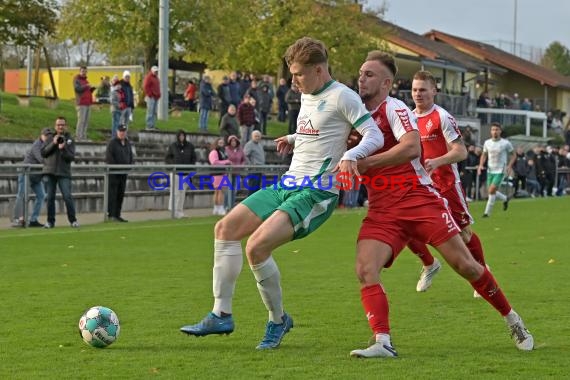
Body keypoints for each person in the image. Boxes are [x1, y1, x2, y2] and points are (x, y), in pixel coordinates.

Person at [180, 36, 384, 350]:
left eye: (299, 74)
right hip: (288, 183)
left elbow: (375, 134)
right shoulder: (307, 94)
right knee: (225, 228)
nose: (293, 81)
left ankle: (278, 321)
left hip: (316, 193)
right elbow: (315, 129)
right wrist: (292, 136)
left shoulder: (344, 96)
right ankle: (221, 313)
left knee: (256, 247)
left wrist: (351, 156)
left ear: (319, 70)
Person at [348, 51, 532, 358]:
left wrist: (364, 162)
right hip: (382, 207)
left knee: (466, 265)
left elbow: (410, 147)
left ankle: (512, 319)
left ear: (386, 83)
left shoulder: (396, 109)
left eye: (368, 74)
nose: (361, 79)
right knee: (365, 269)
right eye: (360, 73)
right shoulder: (352, 112)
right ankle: (383, 342)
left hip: (421, 199)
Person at [403, 70, 489, 297]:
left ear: (434, 91)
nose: (418, 94)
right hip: (421, 185)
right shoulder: (408, 118)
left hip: (446, 184)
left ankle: (481, 272)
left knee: (463, 234)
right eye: (414, 90)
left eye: (423, 89)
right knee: (404, 227)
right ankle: (430, 264)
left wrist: (437, 162)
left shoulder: (441, 117)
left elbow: (460, 152)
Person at [41, 117, 79, 228]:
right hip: (50, 171)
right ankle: (50, 221)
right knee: (50, 197)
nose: (60, 127)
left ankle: (73, 220)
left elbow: (71, 157)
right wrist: (53, 143)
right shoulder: (49, 138)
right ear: (55, 126)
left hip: (64, 172)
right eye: (58, 125)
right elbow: (43, 153)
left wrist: (63, 148)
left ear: (65, 126)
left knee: (67, 196)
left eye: (62, 125)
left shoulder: (70, 139)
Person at [11, 128, 50, 228]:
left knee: (41, 195)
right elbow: (41, 159)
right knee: (21, 195)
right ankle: (18, 219)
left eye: (49, 135)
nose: (47, 137)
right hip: (26, 173)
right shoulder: (36, 145)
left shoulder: (49, 146)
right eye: (46, 135)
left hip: (36, 176)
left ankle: (33, 219)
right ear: (41, 135)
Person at [478, 123, 515, 217]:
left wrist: (509, 166)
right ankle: (505, 198)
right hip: (490, 170)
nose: (495, 131)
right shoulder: (487, 142)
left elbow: (514, 155)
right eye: (493, 129)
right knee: (491, 191)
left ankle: (487, 213)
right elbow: (484, 154)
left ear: (500, 131)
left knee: (491, 190)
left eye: (497, 129)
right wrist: (481, 165)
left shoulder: (505, 143)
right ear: (491, 131)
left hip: (500, 170)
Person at [105, 124, 134, 222]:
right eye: (120, 131)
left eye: (124, 131)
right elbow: (109, 157)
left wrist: (128, 166)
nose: (122, 133)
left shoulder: (127, 143)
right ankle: (111, 214)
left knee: (120, 194)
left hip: (123, 173)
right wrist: (116, 168)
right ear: (117, 131)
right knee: (113, 194)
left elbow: (130, 156)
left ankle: (117, 214)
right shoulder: (112, 143)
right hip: (114, 173)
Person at [165, 130, 196, 219]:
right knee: (175, 192)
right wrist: (173, 165)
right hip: (176, 173)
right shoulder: (173, 146)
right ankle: (174, 210)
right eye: (180, 136)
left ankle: (180, 210)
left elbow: (193, 158)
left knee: (182, 193)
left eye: (183, 136)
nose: (182, 137)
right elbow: (168, 158)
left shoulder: (190, 146)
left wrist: (191, 169)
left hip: (186, 173)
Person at [208, 138, 232, 216]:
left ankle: (217, 208)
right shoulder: (214, 152)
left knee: (219, 191)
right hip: (217, 173)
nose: (221, 144)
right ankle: (219, 207)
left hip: (222, 172)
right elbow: (214, 162)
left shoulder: (222, 152)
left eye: (222, 143)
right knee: (219, 191)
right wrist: (226, 162)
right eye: (219, 143)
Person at [73, 66, 95, 141]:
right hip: (81, 103)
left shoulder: (86, 81)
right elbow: (77, 89)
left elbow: (87, 91)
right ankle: (78, 137)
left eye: (85, 71)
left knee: (86, 121)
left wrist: (91, 89)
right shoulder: (76, 79)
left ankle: (83, 136)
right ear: (80, 71)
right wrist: (86, 86)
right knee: (81, 121)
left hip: (88, 103)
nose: (84, 73)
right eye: (82, 71)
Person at [224, 135, 245, 210]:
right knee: (228, 190)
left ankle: (231, 205)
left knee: (234, 190)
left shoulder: (240, 150)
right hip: (228, 173)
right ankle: (226, 206)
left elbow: (243, 159)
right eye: (232, 141)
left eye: (235, 141)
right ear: (229, 142)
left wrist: (241, 165)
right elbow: (225, 159)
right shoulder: (226, 149)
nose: (233, 142)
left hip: (237, 172)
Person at [243, 130, 266, 195]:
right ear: (252, 136)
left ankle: (255, 204)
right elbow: (245, 156)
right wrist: (251, 165)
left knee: (257, 189)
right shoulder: (249, 144)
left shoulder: (260, 145)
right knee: (252, 188)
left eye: (258, 136)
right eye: (255, 136)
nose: (257, 137)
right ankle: (249, 204)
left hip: (260, 169)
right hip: (253, 170)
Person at [143, 66, 161, 130]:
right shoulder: (148, 77)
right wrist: (150, 94)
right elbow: (145, 86)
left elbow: (158, 87)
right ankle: (149, 126)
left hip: (156, 97)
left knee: (154, 112)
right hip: (151, 97)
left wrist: (159, 94)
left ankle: (152, 125)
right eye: (155, 71)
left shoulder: (156, 78)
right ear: (152, 71)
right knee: (150, 112)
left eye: (157, 71)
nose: (156, 72)